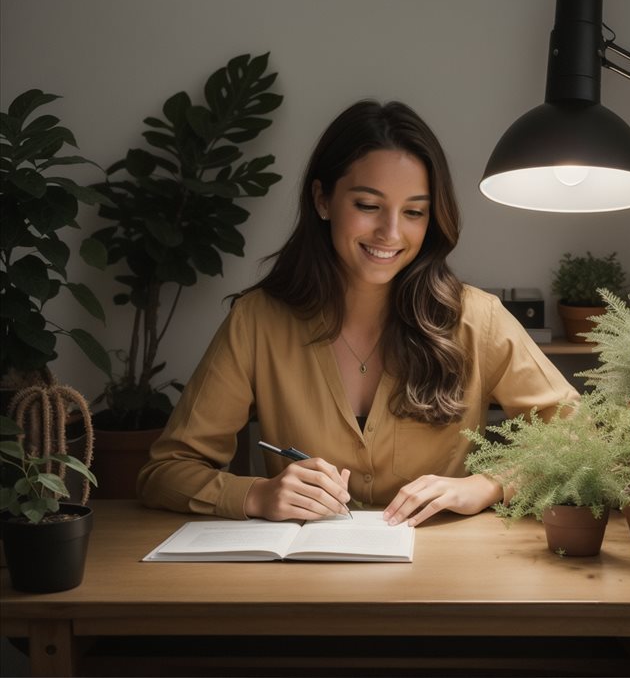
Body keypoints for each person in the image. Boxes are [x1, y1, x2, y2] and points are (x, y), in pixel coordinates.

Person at [137, 100, 578, 527]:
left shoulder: (477, 320)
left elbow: (584, 436)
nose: (390, 232)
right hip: (303, 583)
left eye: (414, 212)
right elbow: (167, 471)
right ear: (323, 200)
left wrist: (489, 485)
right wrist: (257, 494)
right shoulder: (257, 322)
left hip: (441, 577)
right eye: (368, 206)